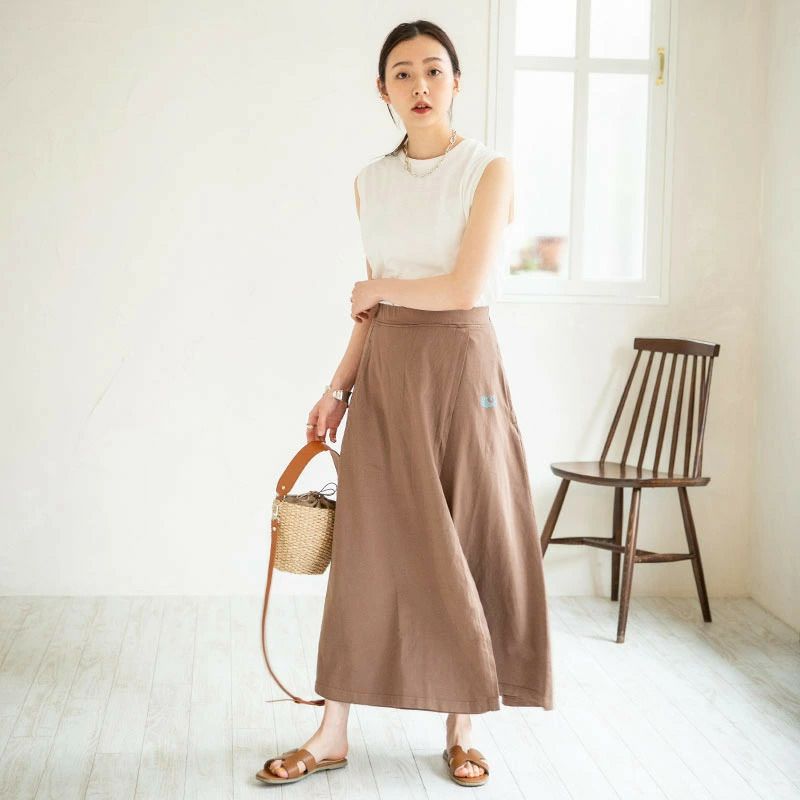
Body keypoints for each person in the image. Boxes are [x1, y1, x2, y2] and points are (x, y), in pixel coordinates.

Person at [257, 19, 553, 789]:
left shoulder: (489, 170)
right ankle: (331, 732)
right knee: (367, 550)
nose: (419, 85)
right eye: (402, 73)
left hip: (461, 368)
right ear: (382, 89)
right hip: (388, 369)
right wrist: (337, 387)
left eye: (433, 70)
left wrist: (379, 287)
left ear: (457, 82)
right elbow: (371, 308)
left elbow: (464, 286)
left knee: (468, 535)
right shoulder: (371, 181)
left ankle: (462, 728)